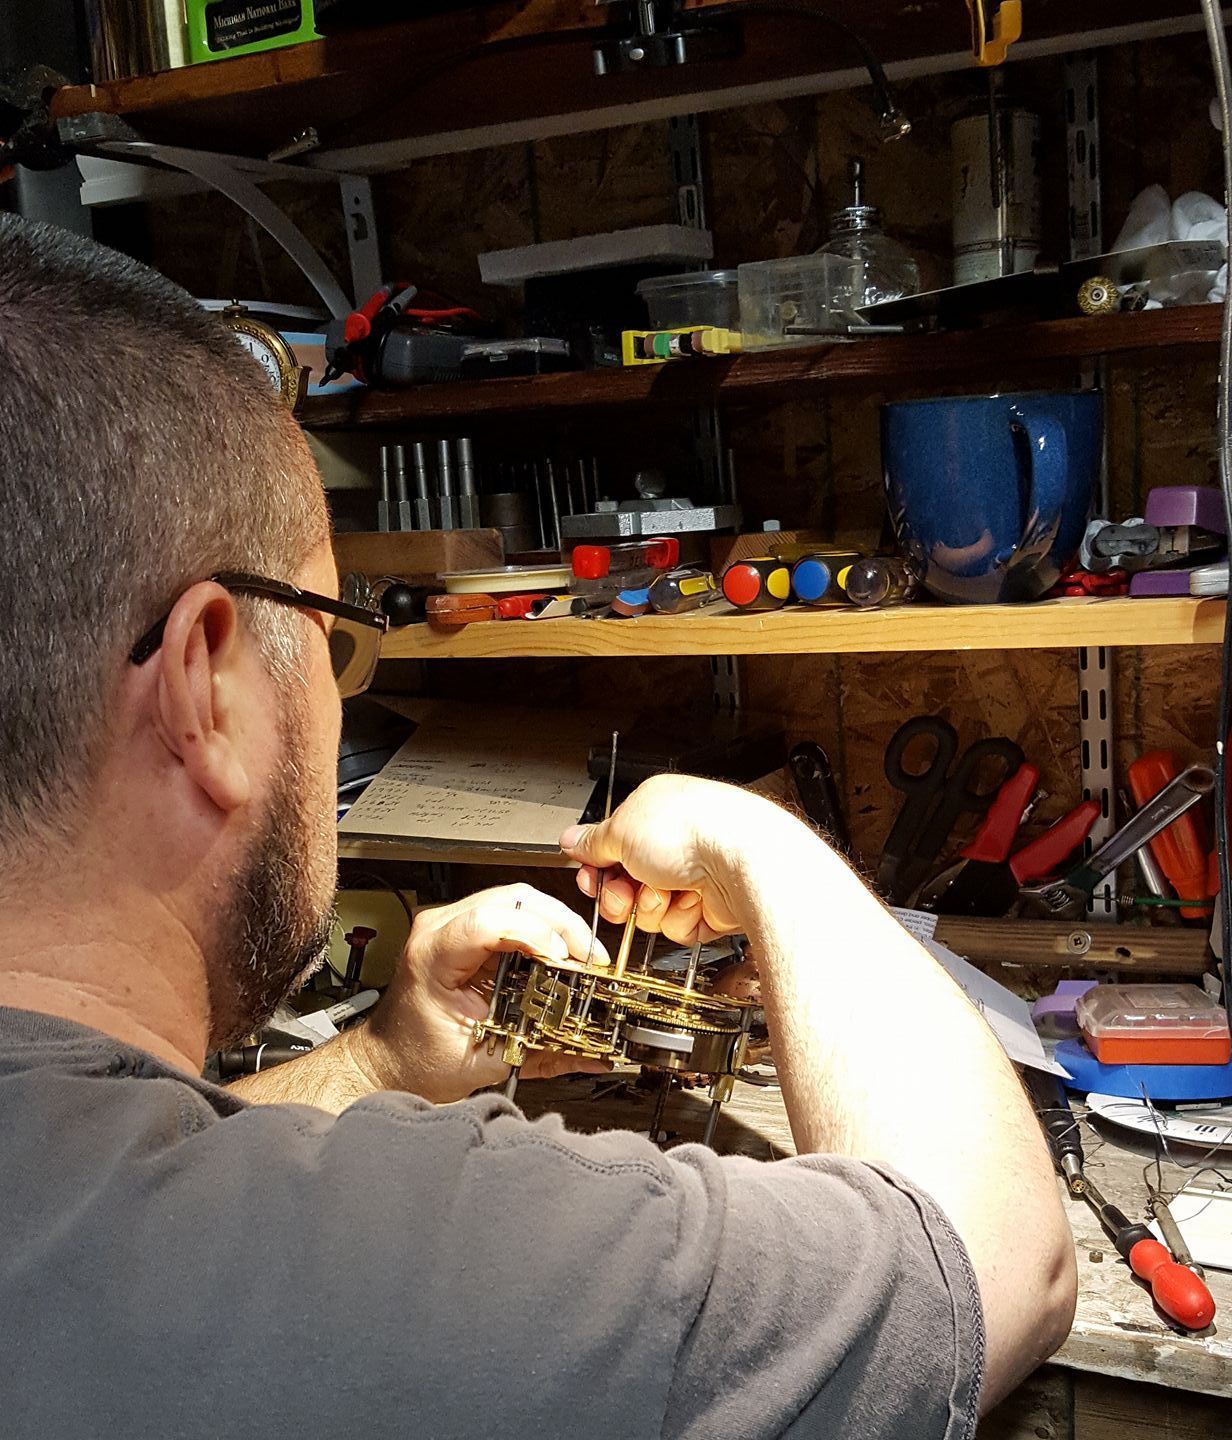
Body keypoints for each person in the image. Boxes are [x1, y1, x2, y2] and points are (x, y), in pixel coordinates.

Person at [0, 214, 1074, 1438]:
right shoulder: (439, 1265)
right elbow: (994, 1265)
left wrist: (376, 1065)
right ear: (207, 687)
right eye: (331, 637)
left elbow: (135, 1173)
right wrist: (756, 845)